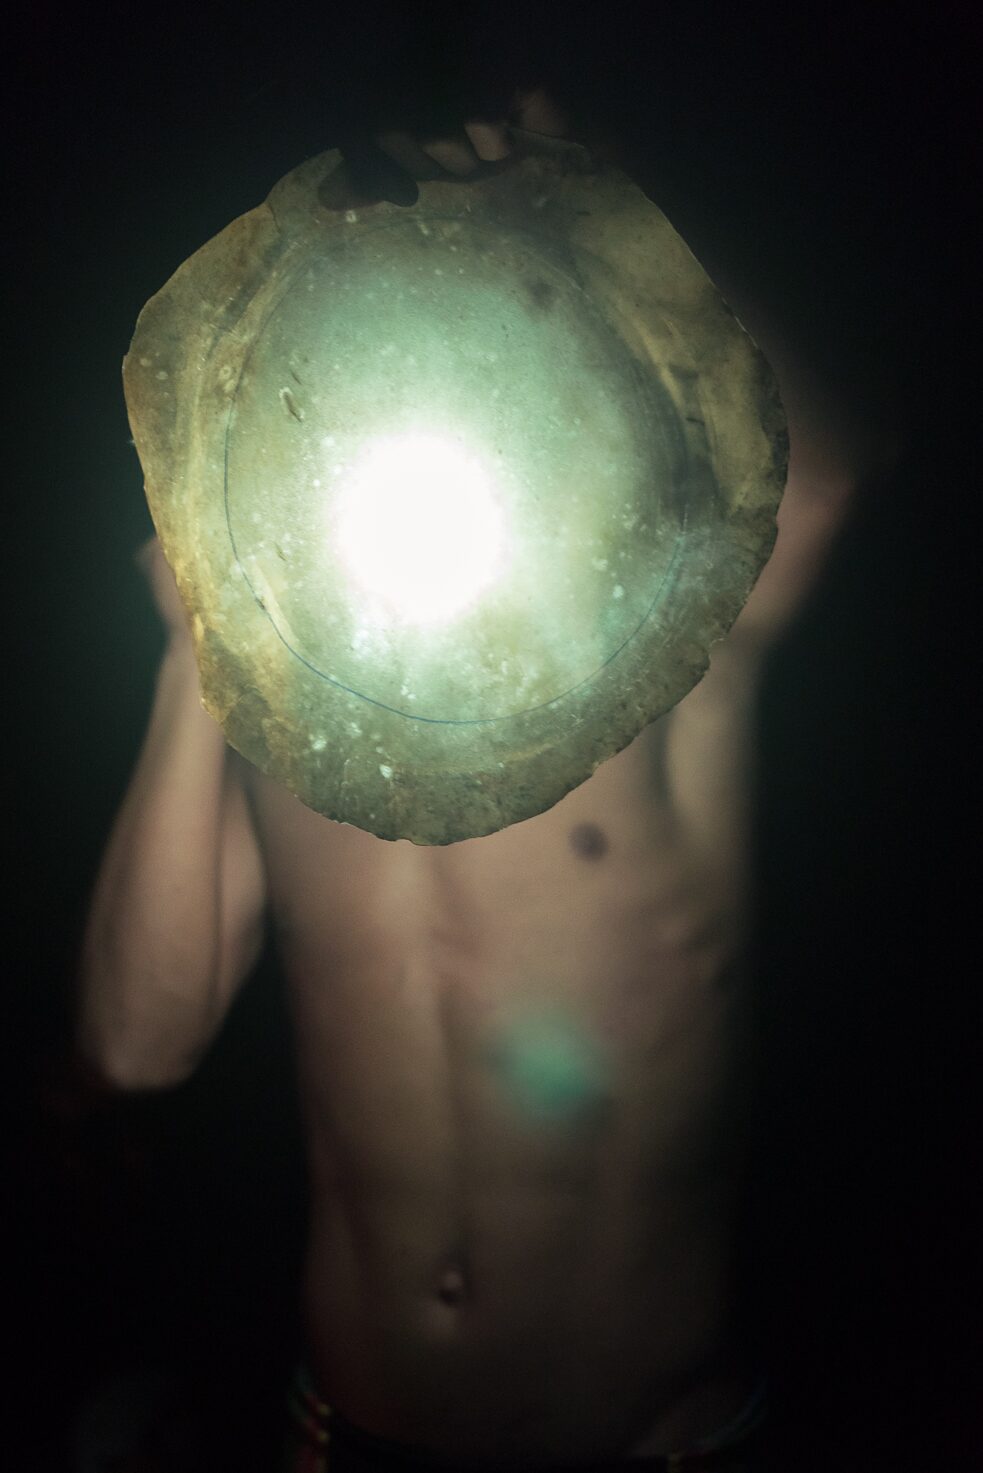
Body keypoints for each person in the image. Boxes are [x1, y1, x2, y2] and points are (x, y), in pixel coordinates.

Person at [76, 82, 888, 1471]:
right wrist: (191, 635)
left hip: (657, 1441)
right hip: (353, 1432)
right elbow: (137, 1041)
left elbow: (819, 488)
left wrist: (610, 186)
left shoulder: (658, 635)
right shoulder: (283, 704)